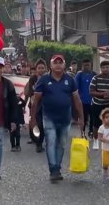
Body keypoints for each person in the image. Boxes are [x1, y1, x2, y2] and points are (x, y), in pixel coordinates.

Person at [30, 54, 84, 183]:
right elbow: (35, 101)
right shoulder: (43, 80)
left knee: (62, 144)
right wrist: (33, 119)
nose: (58, 64)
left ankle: (57, 167)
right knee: (51, 141)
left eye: (60, 62)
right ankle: (53, 169)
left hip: (65, 118)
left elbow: (77, 100)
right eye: (56, 62)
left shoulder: (70, 80)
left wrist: (81, 118)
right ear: (51, 65)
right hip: (49, 117)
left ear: (64, 65)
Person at [89, 61, 109, 150]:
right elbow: (91, 92)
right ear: (100, 69)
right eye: (103, 67)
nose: (105, 69)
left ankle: (108, 139)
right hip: (97, 103)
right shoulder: (95, 78)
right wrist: (102, 94)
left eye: (107, 67)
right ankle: (96, 140)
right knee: (96, 123)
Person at [25, 58, 47, 152]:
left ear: (45, 69)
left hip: (46, 105)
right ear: (36, 69)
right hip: (35, 104)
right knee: (36, 123)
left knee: (43, 125)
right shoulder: (32, 79)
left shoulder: (48, 78)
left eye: (42, 68)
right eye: (39, 68)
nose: (41, 70)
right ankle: (35, 140)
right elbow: (29, 91)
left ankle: (40, 143)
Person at [75, 59, 96, 137]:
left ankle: (91, 131)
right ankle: (82, 132)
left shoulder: (94, 74)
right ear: (82, 66)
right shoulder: (79, 75)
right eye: (84, 65)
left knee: (93, 117)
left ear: (91, 65)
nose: (86, 67)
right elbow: (75, 87)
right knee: (83, 118)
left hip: (92, 100)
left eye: (88, 65)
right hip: (82, 101)